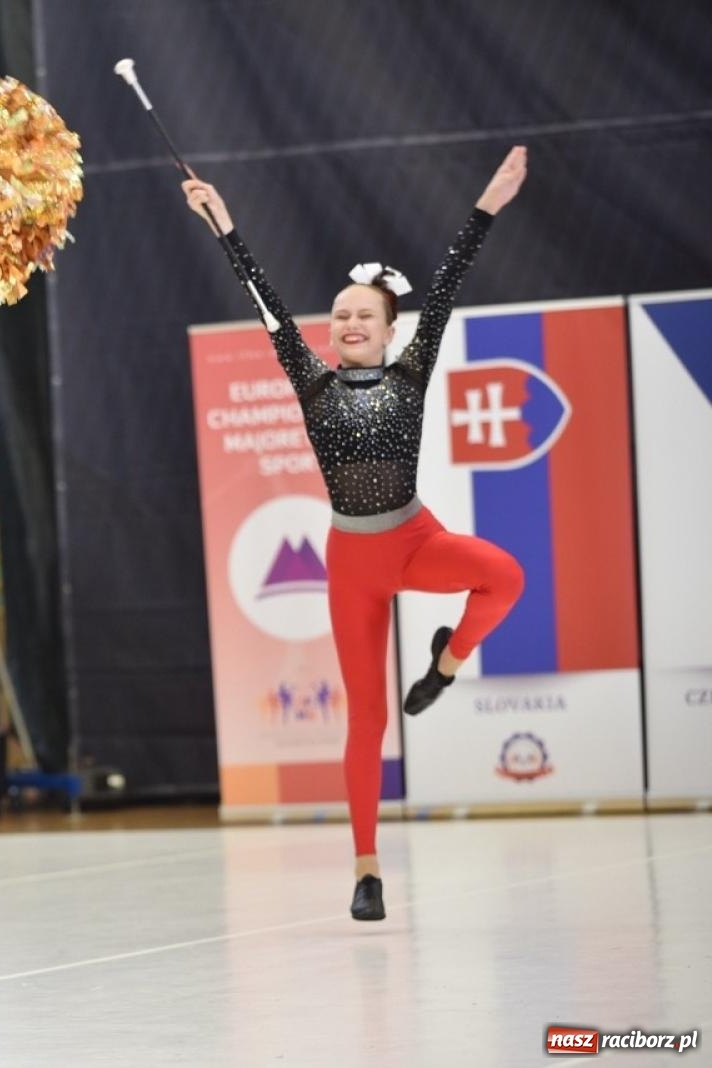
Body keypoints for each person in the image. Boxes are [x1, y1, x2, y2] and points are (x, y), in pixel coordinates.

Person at [182, 146, 529, 922]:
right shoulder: (311, 382)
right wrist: (225, 225)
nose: (346, 323)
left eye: (361, 315)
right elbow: (264, 298)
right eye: (339, 315)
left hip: (415, 539)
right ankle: (366, 869)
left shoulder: (412, 373)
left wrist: (486, 208)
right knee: (366, 716)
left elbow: (443, 291)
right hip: (355, 560)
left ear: (387, 329)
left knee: (504, 574)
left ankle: (446, 662)